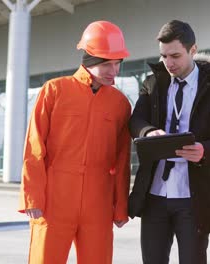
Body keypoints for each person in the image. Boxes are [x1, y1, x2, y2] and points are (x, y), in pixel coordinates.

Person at [18, 20, 131, 264]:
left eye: (117, 63)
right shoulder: (54, 91)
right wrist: (32, 197)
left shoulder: (120, 103)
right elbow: (35, 147)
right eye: (107, 64)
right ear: (90, 59)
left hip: (98, 202)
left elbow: (122, 159)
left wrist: (121, 205)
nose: (114, 71)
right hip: (54, 199)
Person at [128, 20, 210, 264]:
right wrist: (147, 132)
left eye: (175, 55)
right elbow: (136, 119)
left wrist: (204, 151)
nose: (169, 63)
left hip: (194, 197)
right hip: (155, 195)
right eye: (164, 56)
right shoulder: (154, 82)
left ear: (193, 50)